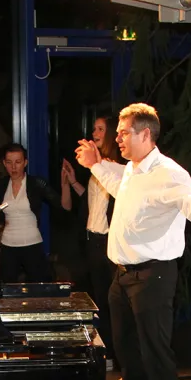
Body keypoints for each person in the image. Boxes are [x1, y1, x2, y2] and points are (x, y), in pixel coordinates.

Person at [75, 103, 191, 380]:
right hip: (122, 276)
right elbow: (114, 182)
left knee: (157, 358)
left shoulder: (170, 174)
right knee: (126, 352)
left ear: (145, 135)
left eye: (123, 133)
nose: (117, 138)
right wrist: (94, 163)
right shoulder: (132, 170)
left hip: (153, 277)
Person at [0, 143, 71, 283]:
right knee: (6, 288)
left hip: (32, 243)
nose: (14, 167)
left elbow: (65, 207)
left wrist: (65, 184)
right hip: (8, 245)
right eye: (9, 162)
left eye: (18, 162)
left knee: (39, 287)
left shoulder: (36, 183)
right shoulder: (1, 186)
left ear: (25, 162)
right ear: (4, 163)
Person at [62, 115, 121, 367]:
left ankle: (117, 357)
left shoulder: (115, 168)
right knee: (98, 301)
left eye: (100, 129)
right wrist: (73, 181)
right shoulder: (96, 167)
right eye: (94, 128)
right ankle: (105, 352)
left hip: (109, 242)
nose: (94, 132)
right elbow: (92, 200)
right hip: (92, 240)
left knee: (112, 302)